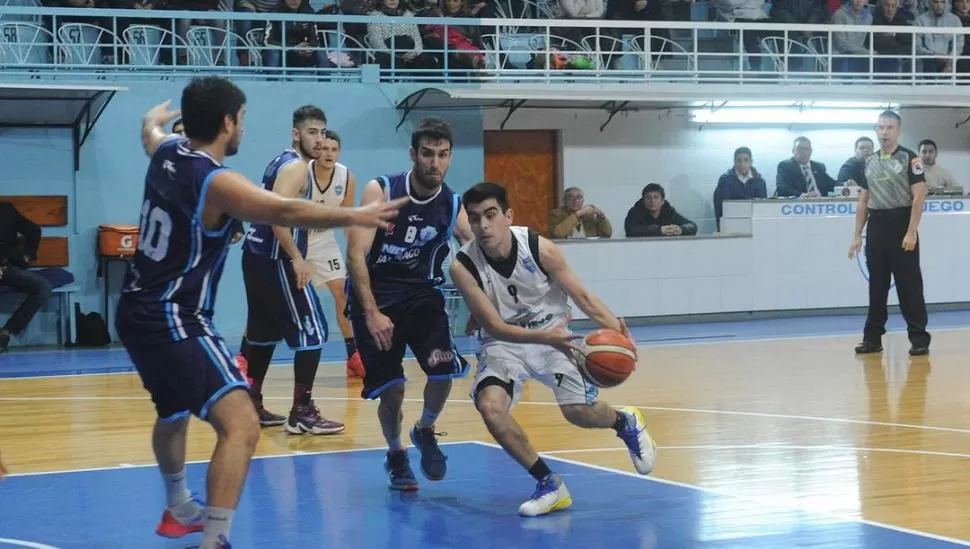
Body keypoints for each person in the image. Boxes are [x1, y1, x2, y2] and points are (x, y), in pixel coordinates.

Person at [116, 77, 406, 549]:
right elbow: (286, 210)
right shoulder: (217, 181)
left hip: (133, 308)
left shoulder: (168, 151)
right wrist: (352, 216)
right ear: (228, 122)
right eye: (242, 119)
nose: (244, 128)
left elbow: (149, 131)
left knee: (172, 411)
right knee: (242, 424)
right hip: (173, 314)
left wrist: (154, 118)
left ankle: (176, 507)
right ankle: (216, 538)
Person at [450, 181, 657, 517]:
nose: (483, 225)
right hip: (505, 342)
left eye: (491, 215)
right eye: (475, 219)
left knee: (578, 412)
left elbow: (583, 298)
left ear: (508, 216)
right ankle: (549, 484)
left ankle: (625, 422)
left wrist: (619, 332)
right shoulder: (462, 266)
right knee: (490, 408)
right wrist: (543, 339)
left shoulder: (539, 248)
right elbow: (494, 327)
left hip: (553, 332)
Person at [346, 116, 473, 491]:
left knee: (443, 369)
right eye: (428, 154)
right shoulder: (381, 191)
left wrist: (485, 309)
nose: (436, 162)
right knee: (393, 389)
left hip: (421, 297)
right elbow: (356, 255)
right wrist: (371, 313)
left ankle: (426, 429)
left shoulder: (452, 204)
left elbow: (475, 256)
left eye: (443, 155)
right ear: (413, 154)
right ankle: (396, 454)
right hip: (376, 298)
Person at [239, 105, 346, 436]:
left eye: (323, 132)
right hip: (275, 259)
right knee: (313, 331)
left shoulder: (279, 160)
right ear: (295, 134)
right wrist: (297, 258)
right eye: (312, 132)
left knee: (263, 333)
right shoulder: (297, 168)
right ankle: (302, 411)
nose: (319, 139)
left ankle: (251, 403)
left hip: (255, 256)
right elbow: (276, 214)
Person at [848, 110, 930, 357]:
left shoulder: (909, 158)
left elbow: (919, 197)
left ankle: (919, 338)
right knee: (877, 285)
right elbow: (863, 202)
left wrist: (911, 231)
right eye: (880, 128)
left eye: (889, 128)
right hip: (877, 226)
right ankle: (872, 338)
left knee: (909, 285)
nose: (884, 132)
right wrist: (856, 235)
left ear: (898, 131)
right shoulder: (869, 162)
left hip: (902, 221)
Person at [305, 130, 365, 378]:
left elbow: (348, 217)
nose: (329, 154)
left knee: (343, 293)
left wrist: (355, 253)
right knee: (271, 297)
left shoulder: (346, 176)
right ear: (317, 150)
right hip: (296, 238)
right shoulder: (302, 171)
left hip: (324, 239)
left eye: (334, 149)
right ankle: (244, 357)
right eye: (325, 149)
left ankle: (353, 355)